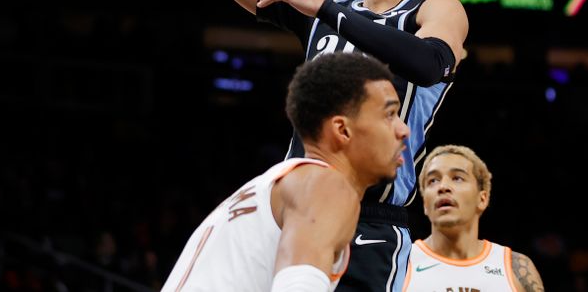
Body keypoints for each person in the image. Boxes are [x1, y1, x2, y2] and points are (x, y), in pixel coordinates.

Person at [77, 0, 483, 291]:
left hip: (371, 221)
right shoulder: (321, 5)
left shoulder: (436, 10)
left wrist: (325, 10)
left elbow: (427, 63)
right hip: (293, 200)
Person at [160, 52, 409, 291]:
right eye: (389, 114)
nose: (403, 129)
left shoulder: (276, 185)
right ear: (342, 130)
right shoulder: (325, 185)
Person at [404, 144, 544, 292]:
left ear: (482, 199)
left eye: (457, 178)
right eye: (433, 180)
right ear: (425, 203)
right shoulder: (400, 262)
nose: (443, 187)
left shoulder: (515, 267)